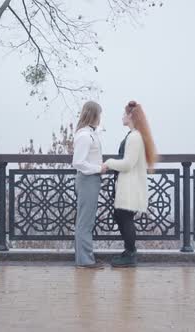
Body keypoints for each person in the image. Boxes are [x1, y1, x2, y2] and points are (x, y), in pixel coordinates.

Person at [103, 100, 157, 267]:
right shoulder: (135, 135)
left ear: (131, 116)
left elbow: (127, 163)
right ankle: (129, 251)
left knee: (125, 218)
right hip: (128, 185)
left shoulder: (134, 137)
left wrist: (108, 163)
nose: (122, 116)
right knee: (121, 216)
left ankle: (131, 254)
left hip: (129, 186)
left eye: (124, 114)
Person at [72, 101, 107, 269]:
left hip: (90, 180)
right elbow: (78, 163)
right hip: (87, 180)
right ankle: (85, 261)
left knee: (86, 221)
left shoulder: (89, 133)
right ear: (93, 115)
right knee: (85, 222)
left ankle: (85, 259)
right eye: (99, 115)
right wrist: (99, 168)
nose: (100, 118)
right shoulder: (84, 136)